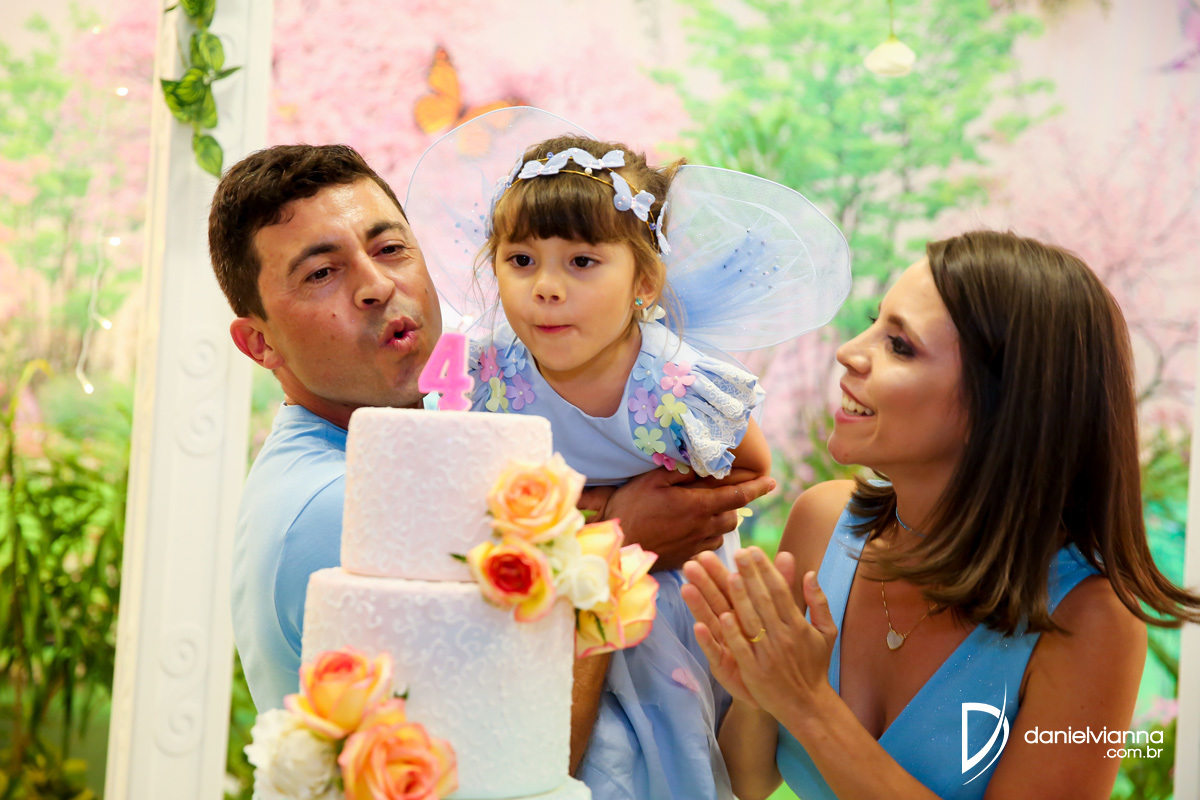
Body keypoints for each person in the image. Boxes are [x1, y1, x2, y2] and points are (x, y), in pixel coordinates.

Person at [206, 143, 776, 717]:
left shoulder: (456, 394)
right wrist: (617, 540)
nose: (376, 285)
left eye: (391, 249)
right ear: (260, 343)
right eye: (321, 273)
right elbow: (499, 738)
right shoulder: (343, 505)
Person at [403, 117, 850, 800]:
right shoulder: (488, 370)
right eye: (521, 261)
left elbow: (750, 470)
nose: (546, 287)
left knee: (649, 758)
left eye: (581, 262)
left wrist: (645, 516)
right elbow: (459, 480)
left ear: (643, 281)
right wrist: (603, 514)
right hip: (540, 593)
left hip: (660, 595)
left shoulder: (671, 383)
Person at [681, 229, 1200, 799]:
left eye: (900, 345)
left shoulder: (1091, 620)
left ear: (1003, 406)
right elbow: (746, 781)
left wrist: (807, 703)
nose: (849, 351)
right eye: (875, 324)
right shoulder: (821, 523)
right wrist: (762, 691)